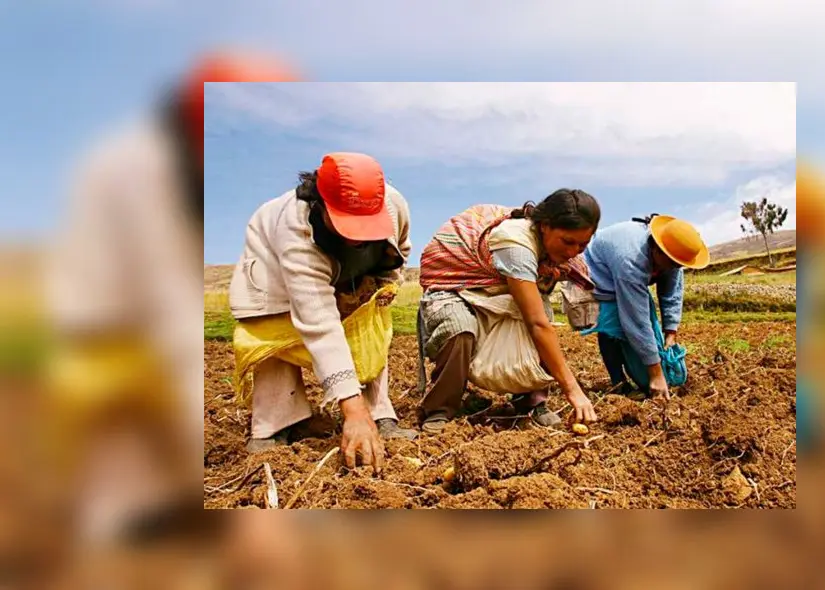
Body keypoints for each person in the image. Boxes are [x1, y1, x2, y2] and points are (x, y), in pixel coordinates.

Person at [45, 51, 299, 544]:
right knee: (123, 453)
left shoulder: (180, 170)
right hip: (105, 332)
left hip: (137, 330)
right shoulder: (138, 173)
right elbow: (172, 322)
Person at [229, 152, 418, 471]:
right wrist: (351, 411)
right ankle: (275, 424)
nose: (357, 236)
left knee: (368, 325)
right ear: (321, 205)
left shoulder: (393, 203)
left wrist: (384, 284)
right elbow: (319, 324)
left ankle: (378, 411)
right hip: (273, 278)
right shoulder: (296, 232)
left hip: (353, 274)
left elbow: (401, 247)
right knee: (274, 334)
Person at [417, 189, 601, 433]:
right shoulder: (516, 244)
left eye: (582, 245)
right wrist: (572, 389)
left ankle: (531, 401)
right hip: (456, 287)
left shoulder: (555, 253)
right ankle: (440, 408)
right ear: (545, 226)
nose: (572, 252)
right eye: (567, 241)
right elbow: (537, 324)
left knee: (540, 314)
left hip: (499, 290)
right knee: (458, 328)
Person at [582, 214, 709, 399]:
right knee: (612, 328)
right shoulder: (630, 260)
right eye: (673, 263)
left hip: (625, 272)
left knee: (647, 338)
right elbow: (637, 322)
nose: (675, 267)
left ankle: (639, 371)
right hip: (598, 274)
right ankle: (618, 383)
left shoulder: (672, 255)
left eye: (678, 265)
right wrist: (656, 375)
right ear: (657, 250)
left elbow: (672, 291)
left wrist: (670, 331)